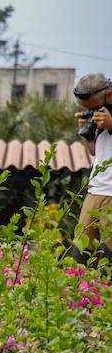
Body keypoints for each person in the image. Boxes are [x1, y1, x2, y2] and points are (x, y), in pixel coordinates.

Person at [75, 72, 112, 264]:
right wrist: (86, 133)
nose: (93, 111)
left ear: (109, 94)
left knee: (108, 261)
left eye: (94, 107)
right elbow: (94, 151)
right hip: (95, 189)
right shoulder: (101, 112)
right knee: (81, 256)